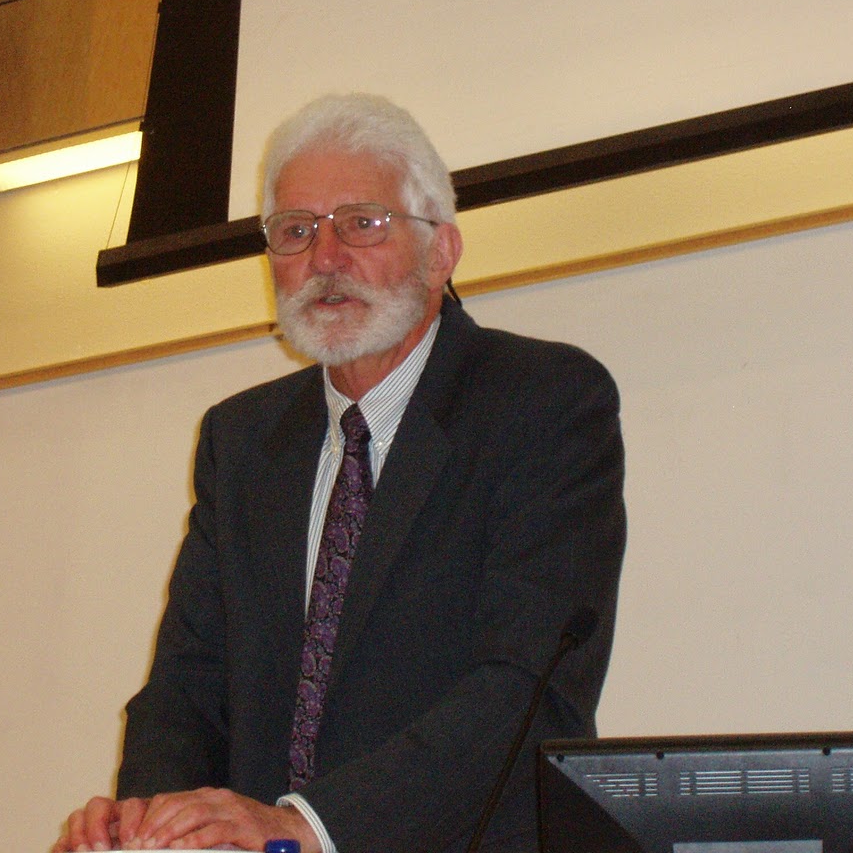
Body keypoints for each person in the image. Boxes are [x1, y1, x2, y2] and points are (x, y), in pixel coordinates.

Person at [57, 94, 626, 853]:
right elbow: (186, 689)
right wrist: (154, 824)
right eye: (295, 232)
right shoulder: (242, 440)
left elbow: (526, 694)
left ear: (443, 251)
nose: (324, 258)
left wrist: (309, 827)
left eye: (361, 223)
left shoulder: (542, 402)